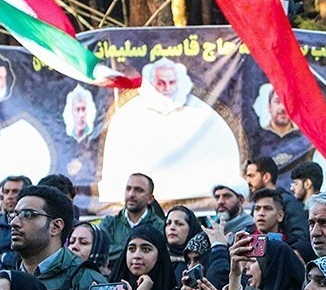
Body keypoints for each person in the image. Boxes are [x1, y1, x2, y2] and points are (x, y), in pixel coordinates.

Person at [99, 58, 241, 202]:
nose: (167, 88)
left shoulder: (201, 113)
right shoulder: (129, 115)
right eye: (160, 83)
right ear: (151, 85)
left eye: (171, 82)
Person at [99, 173, 166, 267]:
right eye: (128, 188)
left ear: (150, 199)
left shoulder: (160, 226)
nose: (131, 194)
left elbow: (160, 257)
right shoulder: (108, 223)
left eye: (139, 190)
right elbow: (101, 252)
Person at [244, 157, 309, 244]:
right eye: (257, 209)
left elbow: (300, 239)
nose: (247, 181)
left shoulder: (290, 203)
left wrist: (280, 250)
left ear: (266, 177)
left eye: (251, 176)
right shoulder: (255, 205)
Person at [164, 206, 202, 283]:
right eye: (168, 223)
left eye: (179, 224)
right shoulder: (159, 259)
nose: (172, 227)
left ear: (191, 228)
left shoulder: (201, 259)